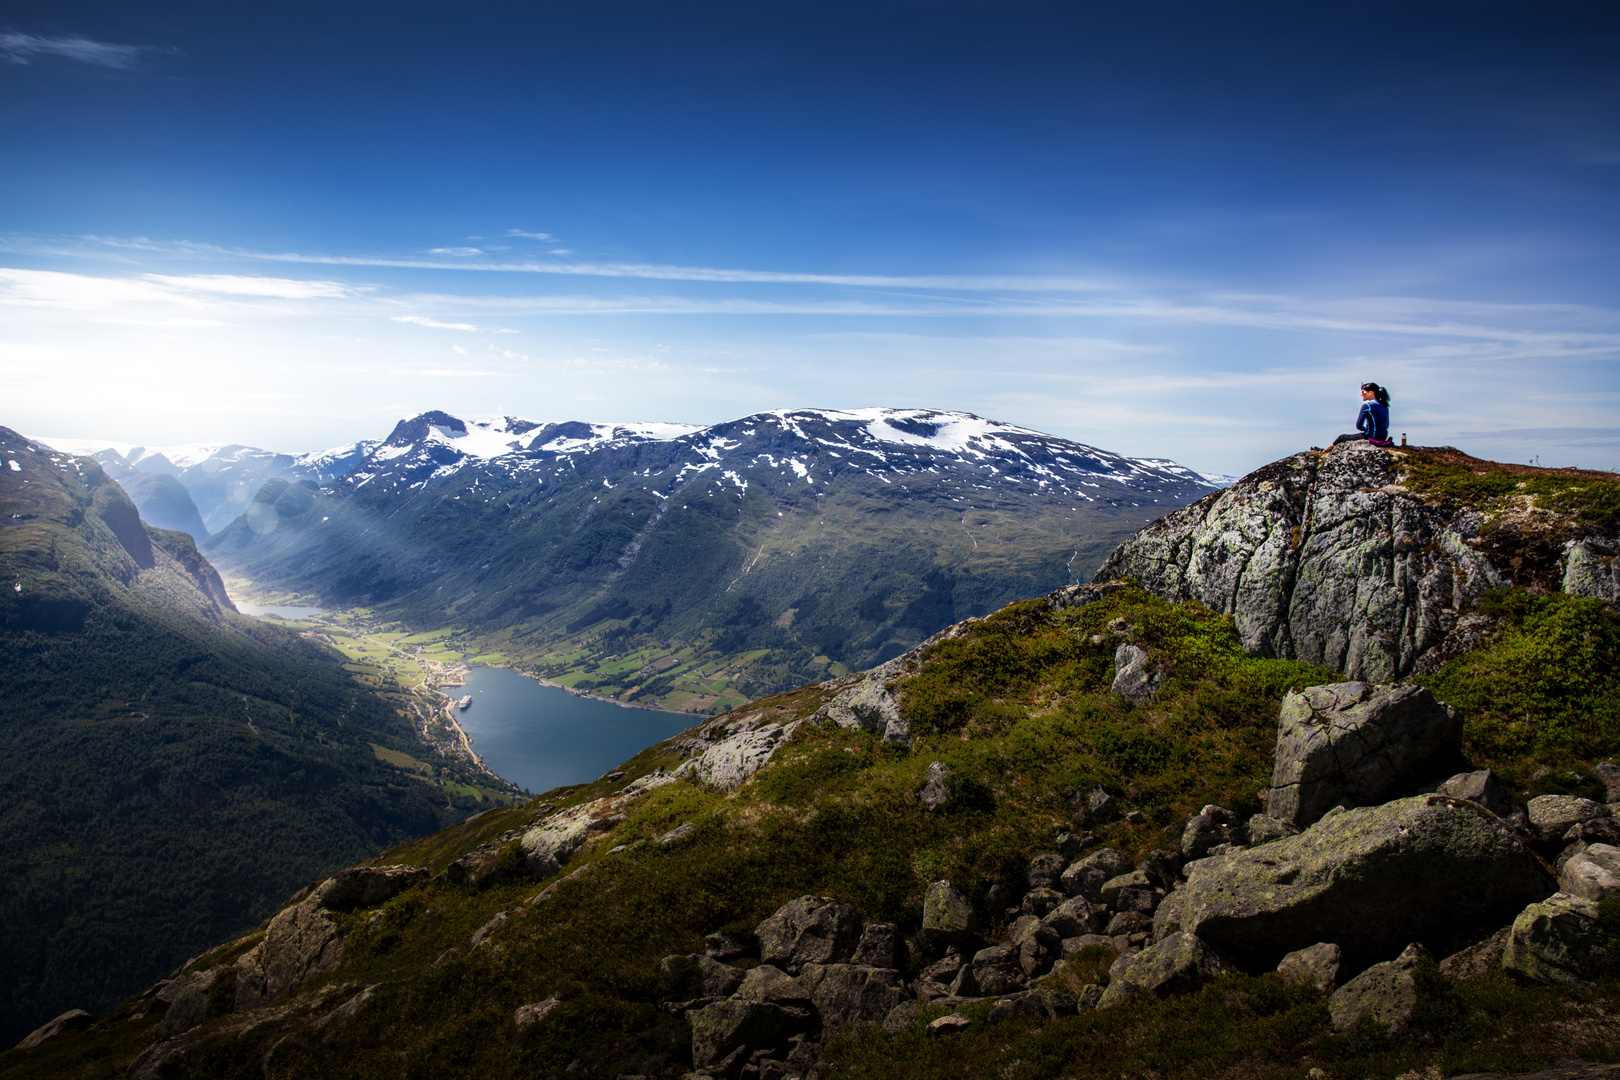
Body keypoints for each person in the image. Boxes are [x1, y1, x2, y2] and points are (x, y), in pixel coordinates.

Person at [1330, 382, 1393, 447]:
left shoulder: (1367, 406)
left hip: (1371, 436)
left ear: (1371, 392)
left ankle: (1325, 451)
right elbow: (1387, 425)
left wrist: (1364, 429)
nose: (1361, 394)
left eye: (1363, 392)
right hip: (1383, 437)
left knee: (1342, 437)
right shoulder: (1385, 406)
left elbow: (1359, 425)